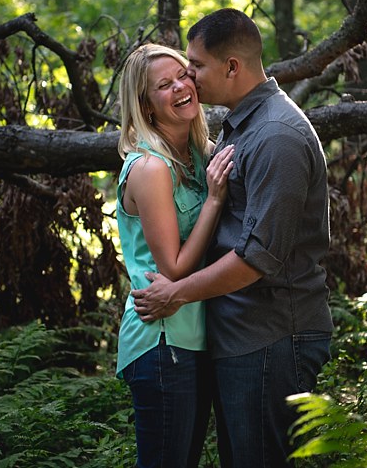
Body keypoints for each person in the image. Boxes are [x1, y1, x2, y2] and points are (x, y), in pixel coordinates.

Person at [131, 9, 334, 468]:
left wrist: (175, 295)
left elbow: (257, 259)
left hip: (271, 337)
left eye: (196, 66)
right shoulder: (242, 124)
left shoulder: (275, 135)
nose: (188, 77)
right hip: (244, 337)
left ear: (232, 67)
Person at [115, 43, 235, 468]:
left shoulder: (199, 152)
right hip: (162, 341)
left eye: (184, 74)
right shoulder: (149, 169)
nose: (182, 87)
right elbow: (174, 267)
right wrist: (214, 201)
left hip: (195, 338)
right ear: (146, 107)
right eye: (164, 86)